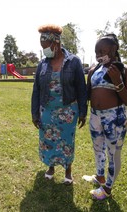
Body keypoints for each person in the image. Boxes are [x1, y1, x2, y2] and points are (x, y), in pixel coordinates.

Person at [31, 24, 87, 185]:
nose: (44, 50)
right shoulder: (42, 64)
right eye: (42, 47)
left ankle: (68, 170)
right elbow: (36, 90)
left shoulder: (74, 62)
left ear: (56, 43)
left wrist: (83, 112)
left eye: (46, 46)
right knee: (47, 139)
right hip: (47, 109)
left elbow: (81, 89)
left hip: (68, 110)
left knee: (66, 141)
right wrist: (35, 114)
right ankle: (51, 167)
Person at [83, 34, 127, 199]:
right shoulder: (94, 70)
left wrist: (117, 81)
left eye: (102, 51)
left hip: (115, 117)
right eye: (96, 51)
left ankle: (107, 189)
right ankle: (100, 177)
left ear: (114, 49)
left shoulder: (126, 70)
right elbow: (88, 95)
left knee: (113, 154)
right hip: (95, 116)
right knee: (98, 149)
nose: (99, 55)